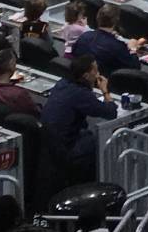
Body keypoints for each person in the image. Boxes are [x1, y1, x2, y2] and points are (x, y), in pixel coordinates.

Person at [39, 54, 117, 185]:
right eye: (96, 71)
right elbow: (111, 112)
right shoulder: (81, 94)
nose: (98, 75)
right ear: (86, 75)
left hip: (48, 142)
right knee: (99, 141)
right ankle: (99, 181)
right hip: (65, 147)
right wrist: (105, 91)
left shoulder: (62, 83)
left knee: (86, 132)